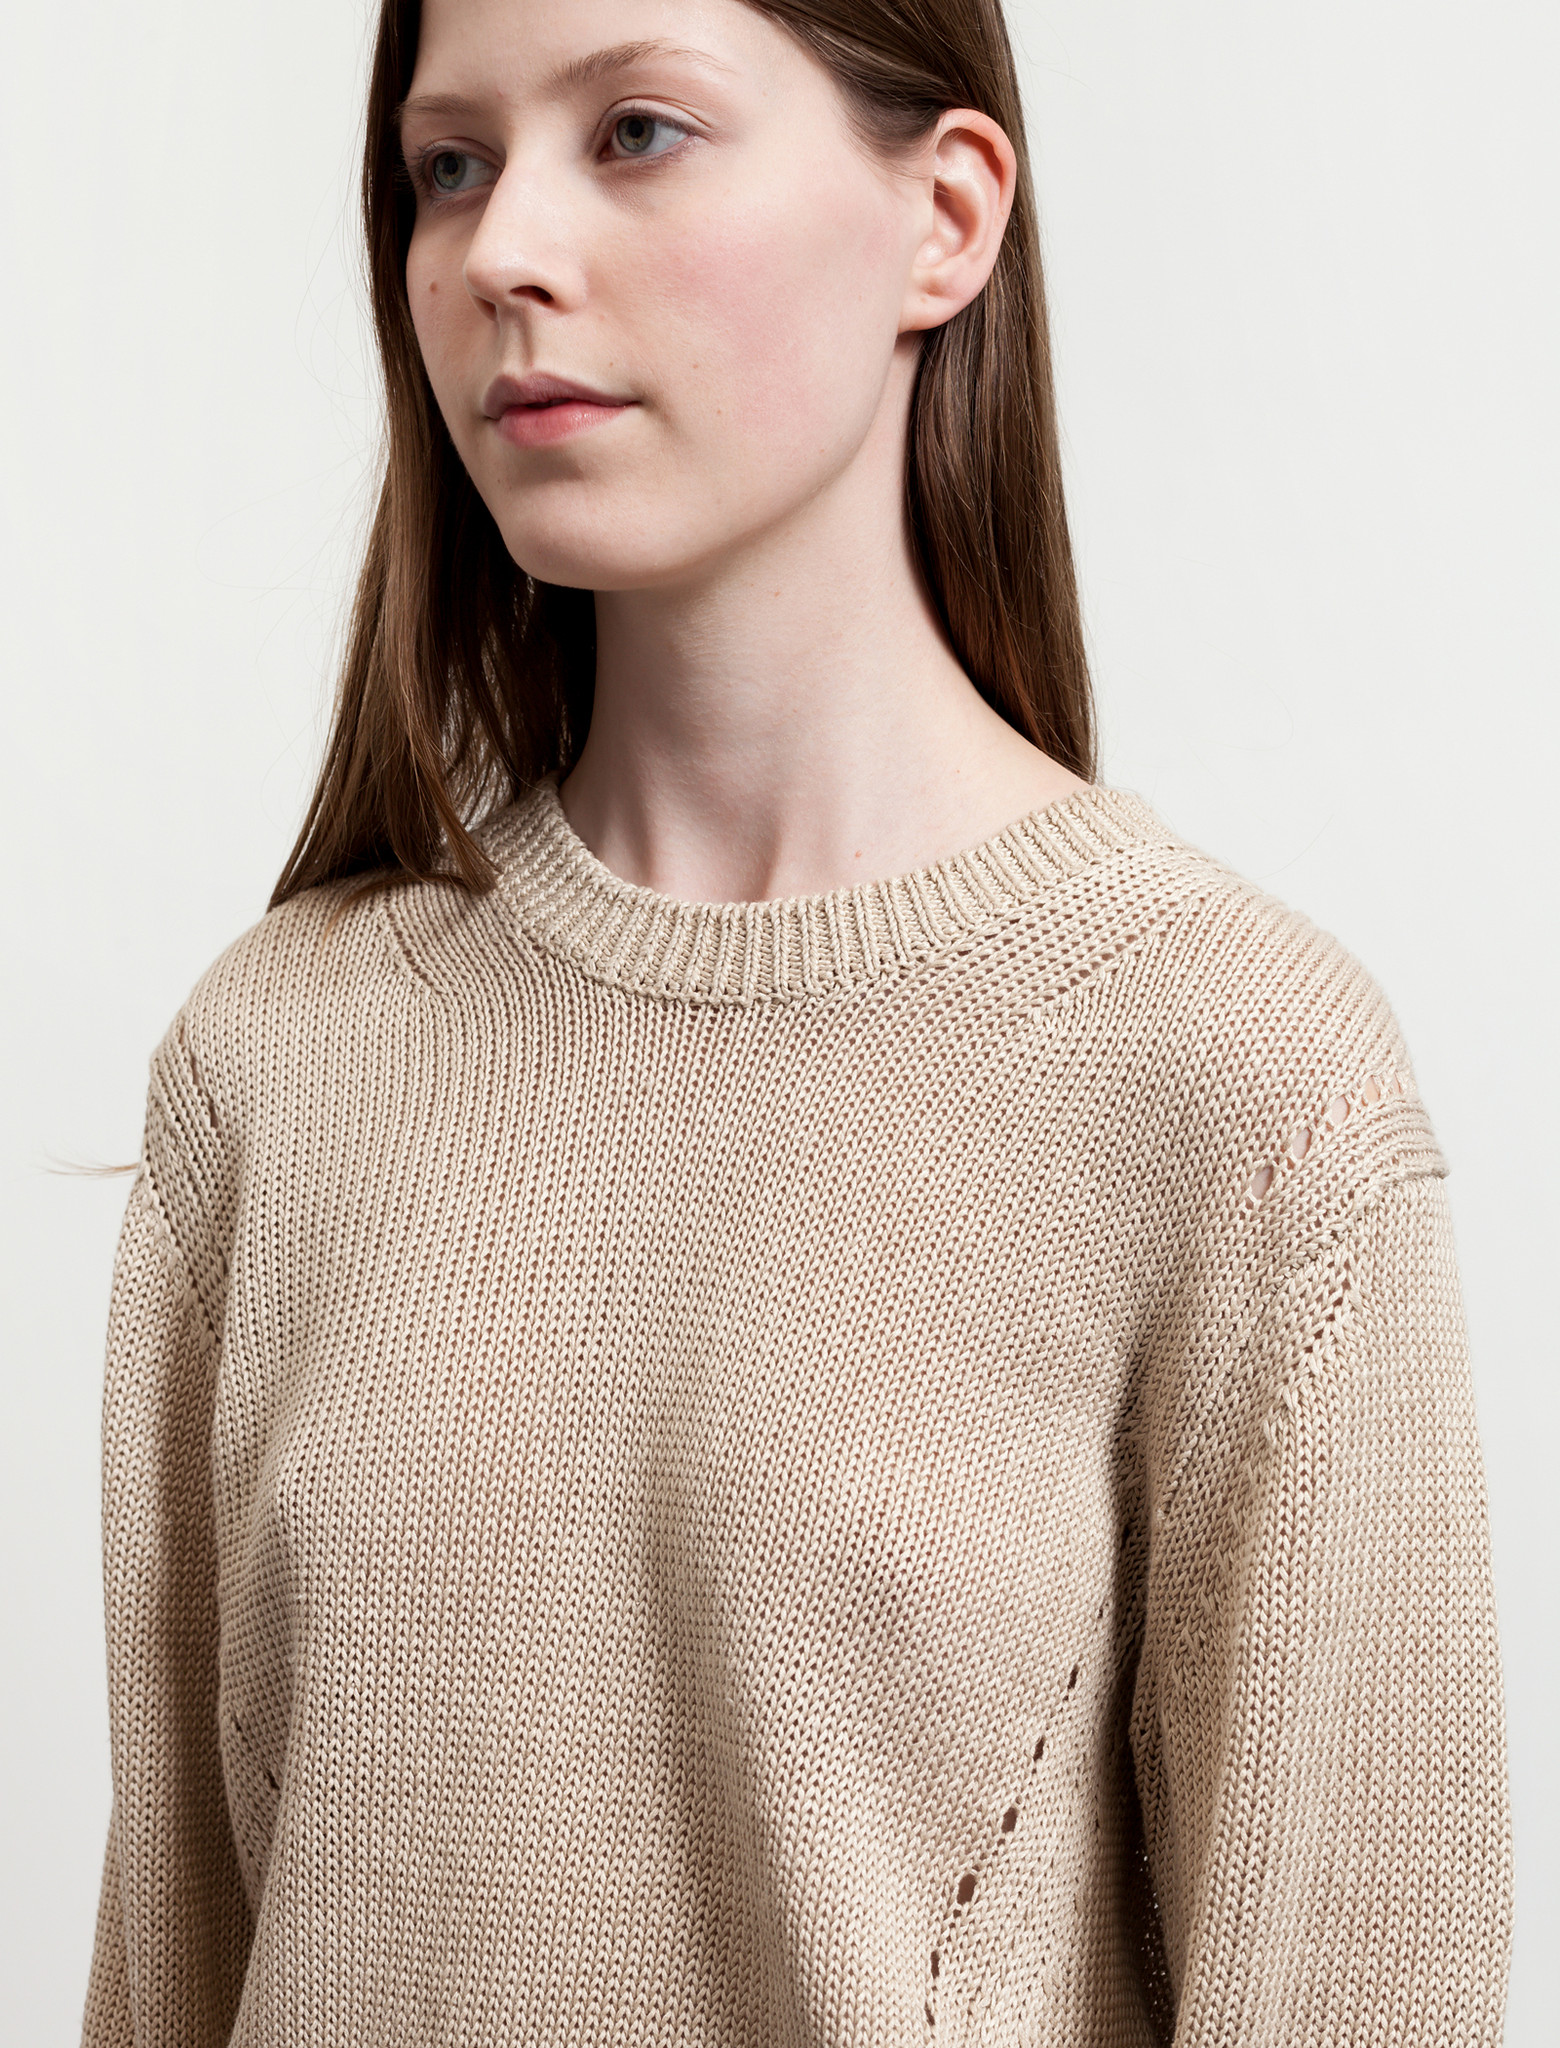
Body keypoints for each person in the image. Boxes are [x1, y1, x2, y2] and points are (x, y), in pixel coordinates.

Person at [81, 0, 1515, 2042]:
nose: (500, 251)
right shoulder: (279, 1066)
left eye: (637, 131)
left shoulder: (1234, 1082)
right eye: (448, 165)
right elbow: (166, 1973)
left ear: (946, 217)